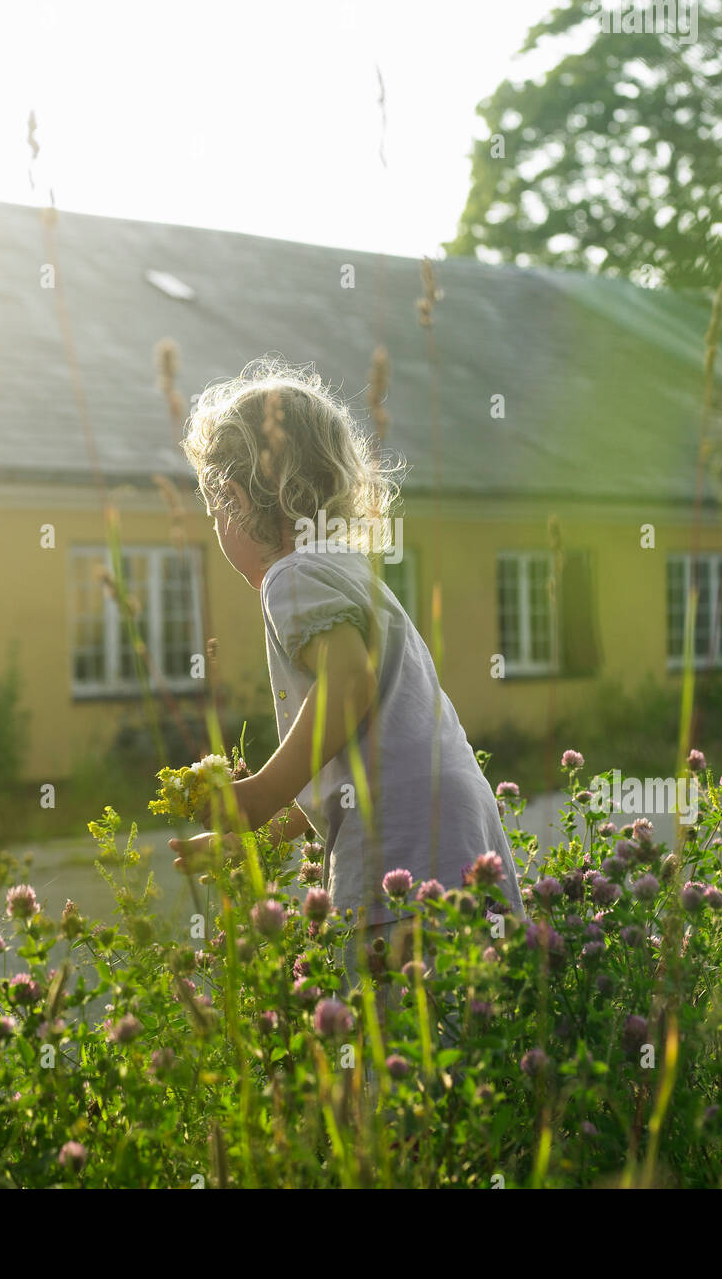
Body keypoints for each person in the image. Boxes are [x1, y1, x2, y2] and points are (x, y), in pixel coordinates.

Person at [168, 358, 524, 988]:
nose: (217, 529)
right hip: (461, 833)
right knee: (471, 1045)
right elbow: (350, 759)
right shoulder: (353, 573)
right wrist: (263, 838)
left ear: (239, 498)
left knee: (394, 1052)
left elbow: (350, 684)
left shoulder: (291, 575)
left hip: (398, 851)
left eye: (215, 510)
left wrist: (258, 795)